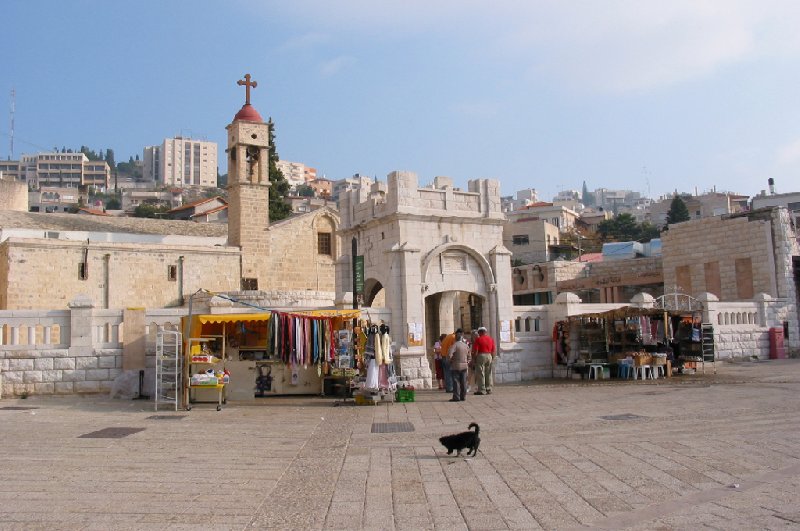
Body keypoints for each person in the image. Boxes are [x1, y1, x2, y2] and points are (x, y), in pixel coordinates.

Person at [447, 330, 471, 402]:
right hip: (464, 365)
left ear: (456, 339)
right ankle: (463, 396)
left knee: (456, 381)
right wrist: (467, 361)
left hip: (456, 365)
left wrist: (450, 360)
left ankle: (456, 396)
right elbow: (469, 355)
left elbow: (449, 354)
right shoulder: (466, 345)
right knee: (463, 381)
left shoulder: (454, 345)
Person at [472, 326, 496, 395]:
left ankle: (482, 389)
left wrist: (474, 358)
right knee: (488, 373)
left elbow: (476, 350)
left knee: (480, 372)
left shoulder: (478, 339)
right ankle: (488, 388)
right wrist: (492, 357)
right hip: (489, 355)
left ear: (480, 332)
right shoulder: (491, 339)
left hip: (481, 355)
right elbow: (493, 350)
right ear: (485, 332)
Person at [439, 329, 460, 393]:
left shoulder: (448, 337)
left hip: (443, 356)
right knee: (452, 373)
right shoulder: (453, 337)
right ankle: (451, 388)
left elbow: (442, 345)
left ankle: (448, 387)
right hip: (448, 357)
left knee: (446, 373)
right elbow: (455, 347)